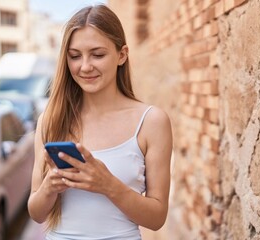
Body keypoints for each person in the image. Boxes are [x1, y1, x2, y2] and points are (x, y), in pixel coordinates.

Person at [27, 4, 173, 240]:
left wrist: (107, 184)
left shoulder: (151, 122)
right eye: (75, 56)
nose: (85, 66)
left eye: (98, 54)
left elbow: (157, 219)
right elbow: (36, 213)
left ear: (122, 55)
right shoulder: (50, 120)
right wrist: (49, 187)